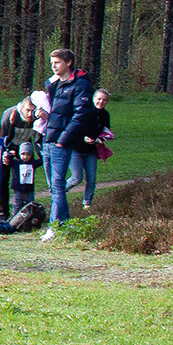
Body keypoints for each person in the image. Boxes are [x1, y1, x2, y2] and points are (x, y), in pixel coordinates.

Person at [40, 48, 96, 238]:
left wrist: (63, 140)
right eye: (51, 63)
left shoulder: (80, 85)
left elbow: (81, 115)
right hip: (47, 139)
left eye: (57, 63)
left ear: (68, 62)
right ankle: (63, 225)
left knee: (57, 185)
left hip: (60, 143)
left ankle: (55, 226)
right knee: (53, 187)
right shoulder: (55, 83)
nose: (53, 66)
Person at [81, 89, 112, 209]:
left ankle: (87, 204)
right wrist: (83, 138)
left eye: (104, 100)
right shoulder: (85, 111)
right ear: (93, 99)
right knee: (76, 177)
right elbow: (75, 129)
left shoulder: (105, 115)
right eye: (99, 99)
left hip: (92, 150)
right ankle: (59, 193)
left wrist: (100, 140)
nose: (101, 102)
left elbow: (106, 132)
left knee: (92, 178)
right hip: (77, 148)